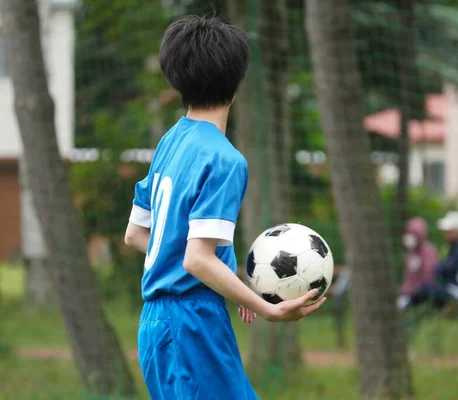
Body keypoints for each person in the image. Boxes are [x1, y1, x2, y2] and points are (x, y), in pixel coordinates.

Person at [123, 15, 326, 400]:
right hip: (192, 323)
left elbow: (137, 235)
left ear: (176, 78)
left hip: (154, 324)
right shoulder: (224, 159)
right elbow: (197, 260)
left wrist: (231, 282)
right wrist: (266, 308)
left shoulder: (170, 141)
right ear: (236, 82)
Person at [401, 211, 458, 310]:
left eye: (448, 231)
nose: (445, 234)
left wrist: (437, 269)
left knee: (426, 289)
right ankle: (407, 303)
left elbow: (449, 269)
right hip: (457, 287)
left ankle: (405, 305)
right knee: (427, 287)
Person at [396, 217, 438, 310]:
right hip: (406, 293)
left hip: (421, 292)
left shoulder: (429, 251)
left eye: (412, 234)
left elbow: (429, 274)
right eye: (407, 233)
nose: (408, 237)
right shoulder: (410, 252)